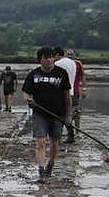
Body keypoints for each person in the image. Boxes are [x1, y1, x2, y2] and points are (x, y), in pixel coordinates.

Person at [22, 47, 72, 182]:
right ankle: (41, 170)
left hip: (57, 114)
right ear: (40, 60)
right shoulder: (34, 74)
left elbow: (67, 96)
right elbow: (26, 92)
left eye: (51, 57)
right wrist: (29, 100)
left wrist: (68, 115)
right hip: (39, 114)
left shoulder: (62, 73)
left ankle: (51, 163)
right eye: (46, 57)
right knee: (40, 142)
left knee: (55, 143)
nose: (50, 60)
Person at [53, 47, 77, 144]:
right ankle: (71, 135)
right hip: (71, 92)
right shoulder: (73, 63)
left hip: (61, 93)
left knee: (57, 115)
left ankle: (57, 136)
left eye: (53, 56)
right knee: (67, 114)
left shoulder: (58, 64)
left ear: (57, 55)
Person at [66, 49, 86, 132]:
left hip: (75, 91)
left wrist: (84, 89)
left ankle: (77, 130)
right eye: (68, 54)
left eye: (71, 54)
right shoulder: (64, 64)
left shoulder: (78, 64)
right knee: (66, 111)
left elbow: (83, 76)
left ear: (74, 55)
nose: (70, 56)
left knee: (76, 111)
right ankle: (69, 130)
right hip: (66, 91)